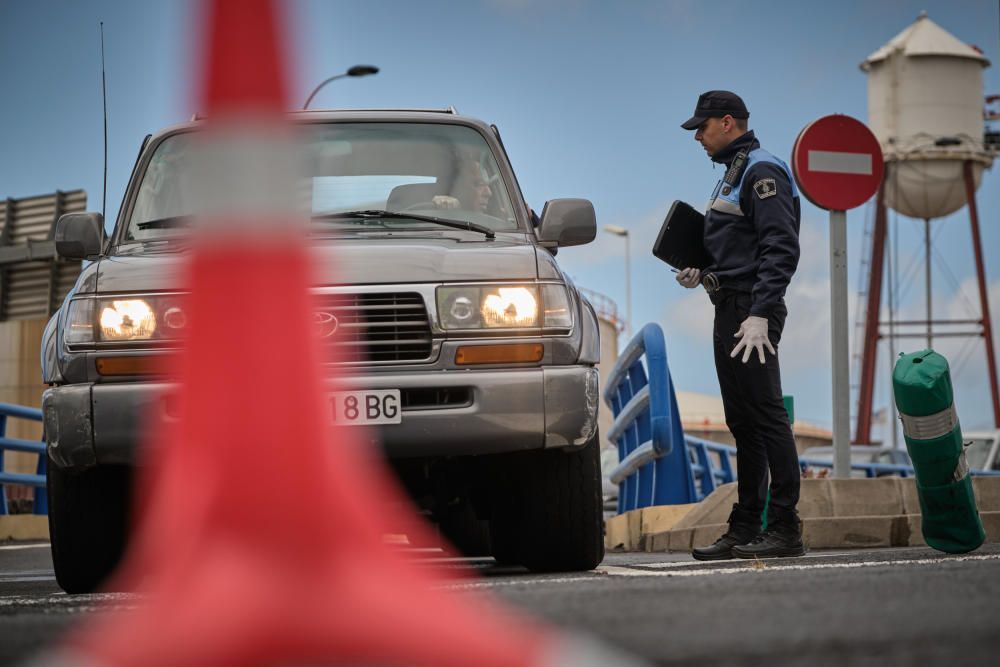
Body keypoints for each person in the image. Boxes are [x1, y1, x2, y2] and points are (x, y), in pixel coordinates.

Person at [676, 90, 804, 560]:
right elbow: (736, 246)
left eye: (702, 129)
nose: (698, 138)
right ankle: (747, 525)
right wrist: (700, 268)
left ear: (727, 122)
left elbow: (780, 248)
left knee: (767, 415)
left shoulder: (761, 170)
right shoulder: (731, 174)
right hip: (728, 306)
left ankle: (786, 526)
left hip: (752, 310)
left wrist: (761, 313)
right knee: (743, 422)